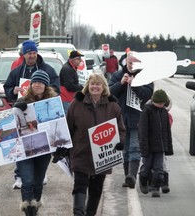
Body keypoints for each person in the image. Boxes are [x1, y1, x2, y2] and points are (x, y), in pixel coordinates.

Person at [67, 73, 126, 216]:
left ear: (103, 87)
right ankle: (78, 212)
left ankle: (90, 213)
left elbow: (121, 130)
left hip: (103, 156)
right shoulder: (76, 104)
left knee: (96, 188)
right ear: (88, 86)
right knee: (79, 185)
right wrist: (64, 148)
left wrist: (120, 142)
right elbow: (68, 128)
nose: (95, 87)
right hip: (81, 153)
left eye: (98, 84)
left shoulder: (113, 107)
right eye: (92, 83)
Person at [4, 40, 60, 189]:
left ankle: (42, 174)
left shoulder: (48, 69)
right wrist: (13, 92)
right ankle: (19, 176)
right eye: (29, 53)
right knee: (22, 144)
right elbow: (7, 87)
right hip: (22, 112)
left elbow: (56, 87)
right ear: (24, 54)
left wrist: (45, 93)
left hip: (42, 112)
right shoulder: (16, 71)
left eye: (34, 53)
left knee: (42, 144)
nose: (32, 56)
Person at [14, 70, 58, 216]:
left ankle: (35, 207)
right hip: (25, 149)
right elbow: (13, 123)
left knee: (38, 182)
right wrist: (17, 106)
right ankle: (28, 212)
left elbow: (59, 125)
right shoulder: (23, 101)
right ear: (31, 84)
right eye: (35, 82)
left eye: (40, 82)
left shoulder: (53, 103)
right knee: (27, 181)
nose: (37, 85)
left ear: (46, 85)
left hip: (44, 150)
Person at [108, 51, 154, 189]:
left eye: (135, 63)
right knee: (125, 150)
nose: (132, 65)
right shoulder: (117, 75)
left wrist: (136, 84)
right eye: (130, 62)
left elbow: (147, 95)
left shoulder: (146, 76)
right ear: (126, 62)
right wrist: (120, 83)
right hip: (121, 118)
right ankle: (128, 176)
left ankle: (132, 176)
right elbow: (109, 93)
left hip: (138, 118)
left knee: (135, 147)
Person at [138, 89, 173, 197]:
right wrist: (144, 148)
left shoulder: (164, 113)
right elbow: (143, 131)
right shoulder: (146, 111)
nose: (161, 105)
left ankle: (155, 187)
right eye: (159, 103)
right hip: (149, 146)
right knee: (147, 167)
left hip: (160, 147)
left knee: (159, 168)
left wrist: (168, 147)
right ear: (153, 101)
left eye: (163, 103)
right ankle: (143, 180)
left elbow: (167, 131)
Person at [59, 50, 84, 115]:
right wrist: (81, 87)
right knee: (68, 117)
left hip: (69, 98)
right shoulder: (67, 69)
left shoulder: (71, 68)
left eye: (80, 59)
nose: (80, 61)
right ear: (72, 59)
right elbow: (69, 86)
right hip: (66, 98)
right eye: (78, 59)